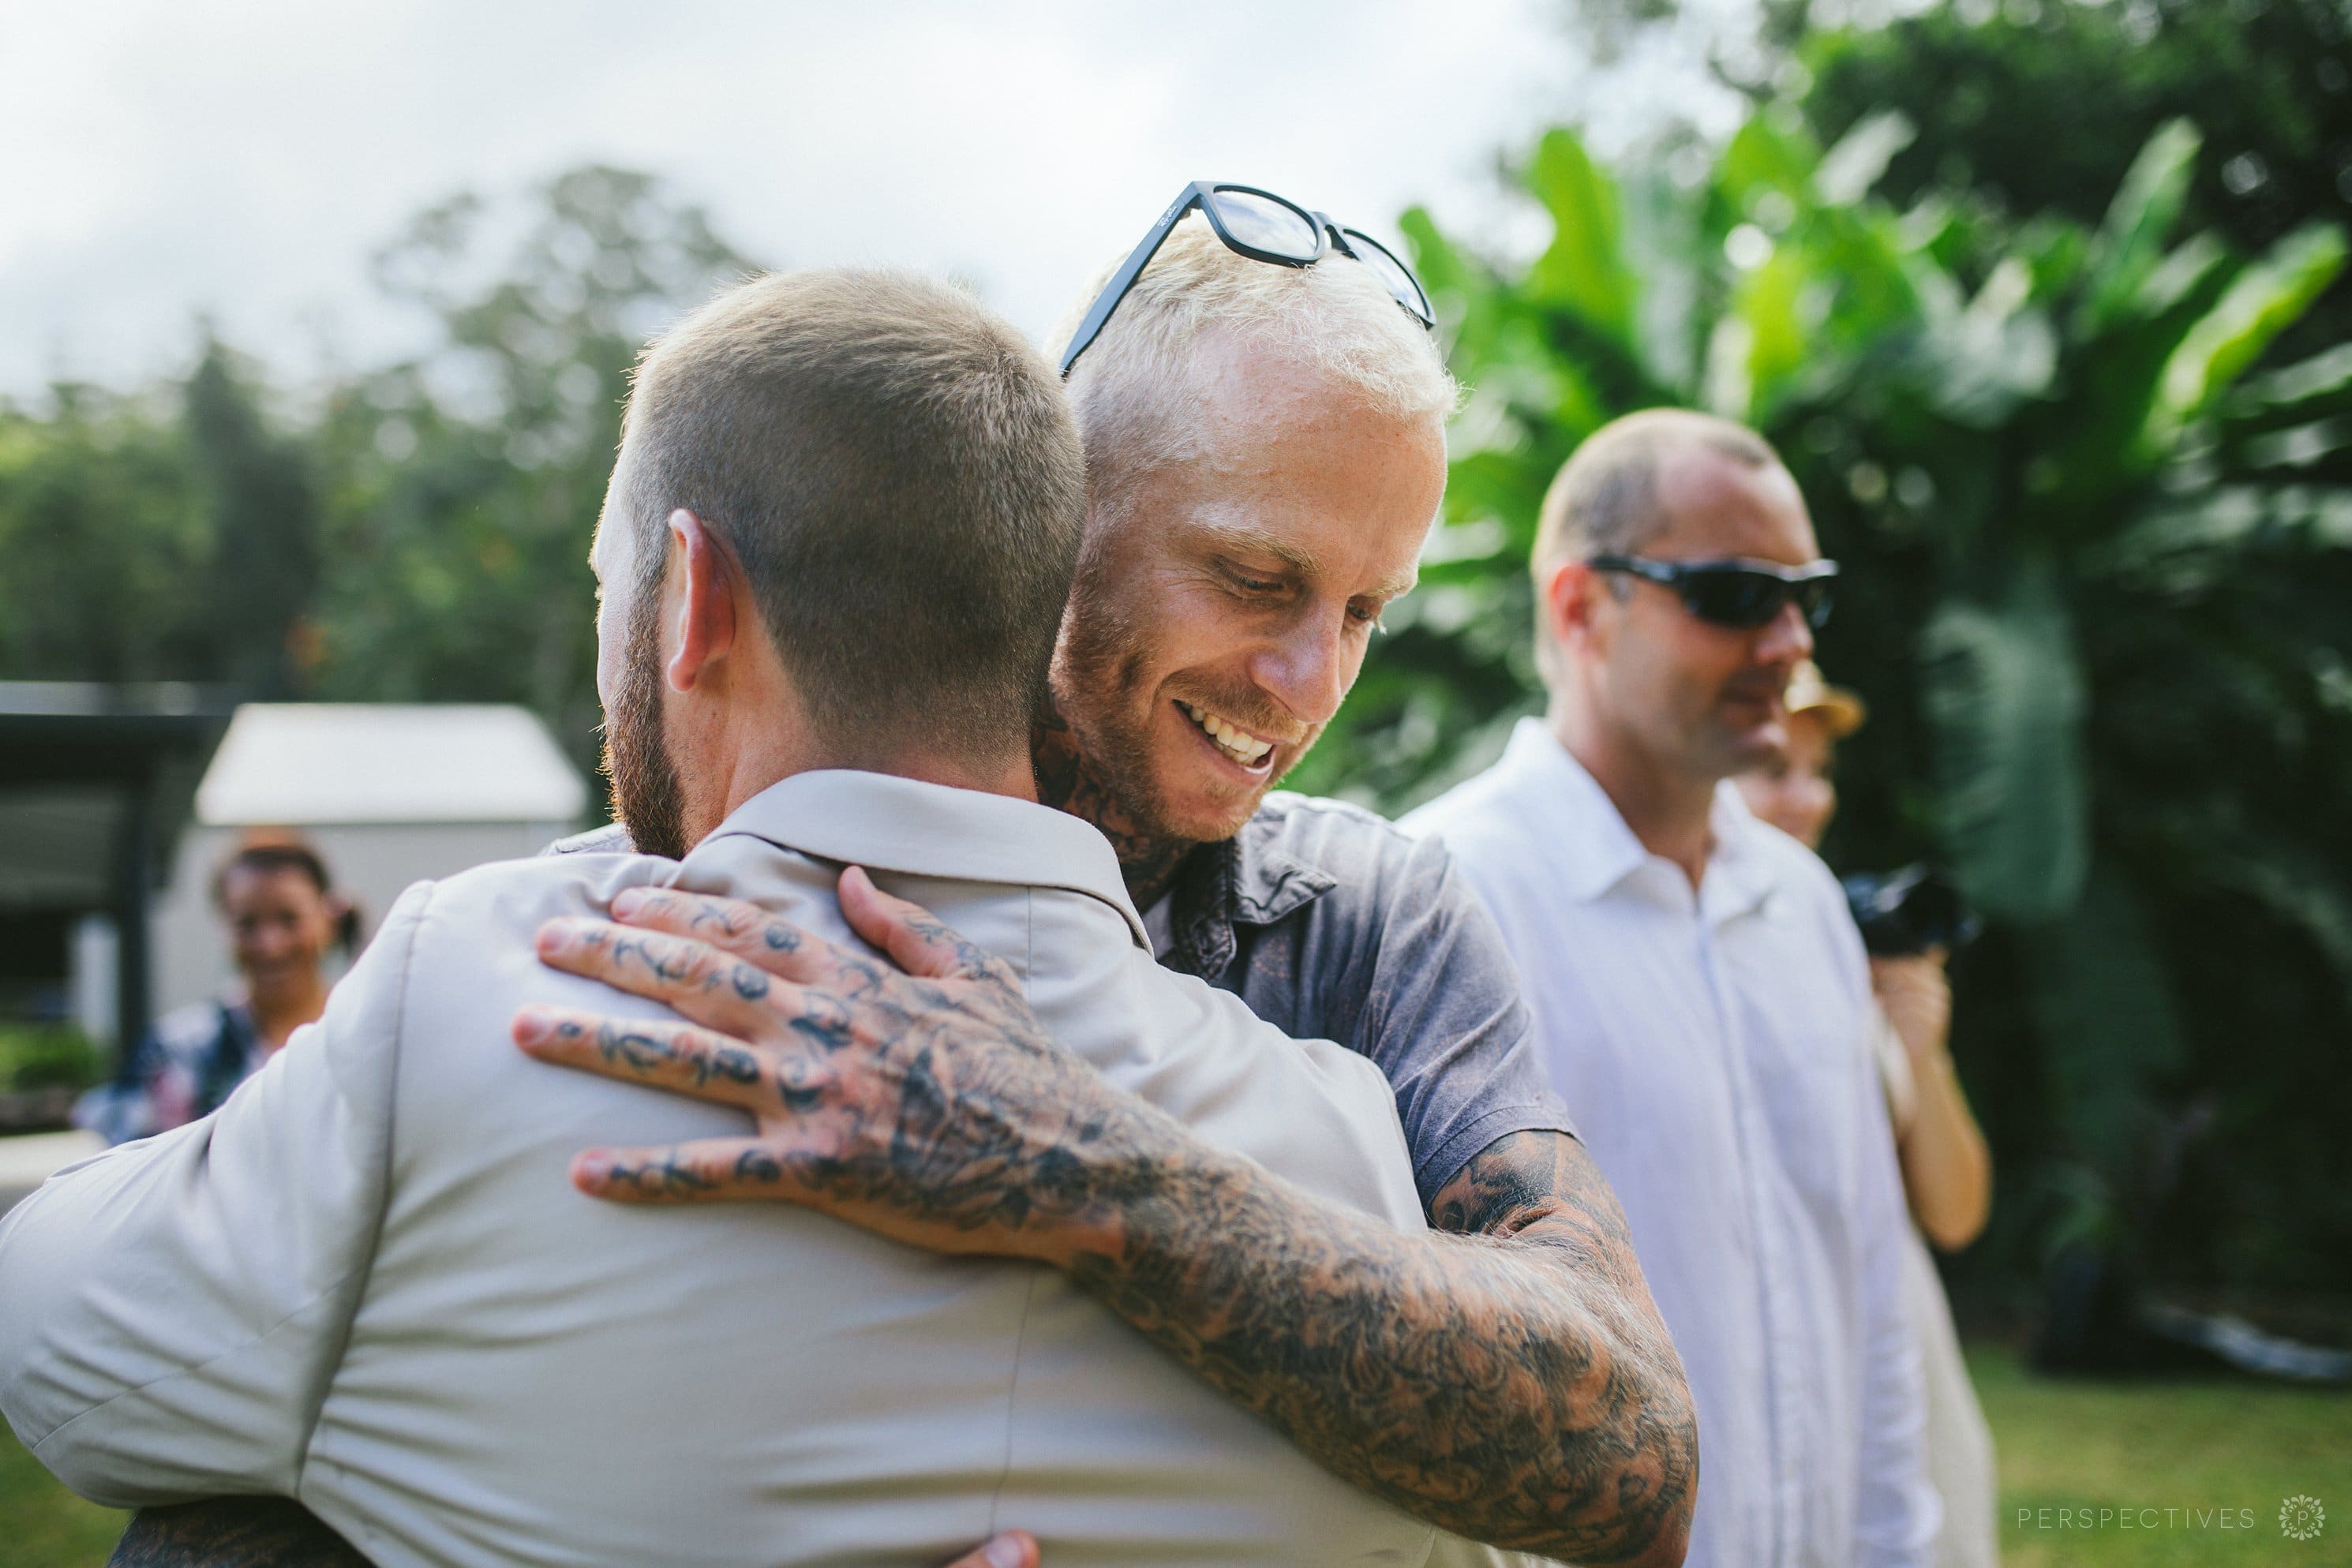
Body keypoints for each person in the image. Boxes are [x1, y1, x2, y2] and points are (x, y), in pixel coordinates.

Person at [3, 269, 1447, 1566]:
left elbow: (52, 1346)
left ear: (691, 591)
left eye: (607, 584)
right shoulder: (1344, 1154)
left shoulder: (478, 995)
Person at [504, 192, 1696, 1559]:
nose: (1312, 684)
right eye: (1255, 577)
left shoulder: (1366, 925)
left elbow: (1635, 1461)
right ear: (1060, 507)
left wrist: (1072, 1155)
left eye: (1366, 609)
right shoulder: (669, 895)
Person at [1403, 407, 1939, 1568]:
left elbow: (1871, 1295)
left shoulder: (1803, 905)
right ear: (1581, 606)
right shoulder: (1439, 902)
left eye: (1807, 597)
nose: (1788, 640)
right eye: (1738, 595)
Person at [1736, 660, 1998, 1568]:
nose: (1807, 799)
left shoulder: (1842, 952)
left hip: (1895, 1357)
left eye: (1819, 773)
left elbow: (1955, 1213)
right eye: (1775, 770)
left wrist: (1922, 1051)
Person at [76, 837, 351, 1145]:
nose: (270, 945)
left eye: (289, 919)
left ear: (329, 918)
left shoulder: (359, 1034)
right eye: (247, 924)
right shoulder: (179, 1050)